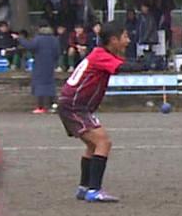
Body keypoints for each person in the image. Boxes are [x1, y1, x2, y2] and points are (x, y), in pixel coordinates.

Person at [57, 20, 143, 203]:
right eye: (125, 37)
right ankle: (94, 190)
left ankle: (84, 187)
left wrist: (141, 63)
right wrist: (147, 64)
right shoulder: (100, 55)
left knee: (93, 145)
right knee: (103, 141)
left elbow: (124, 64)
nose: (128, 41)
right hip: (75, 105)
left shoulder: (103, 54)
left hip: (75, 104)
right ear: (113, 40)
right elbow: (123, 67)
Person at [20, 27, 61, 114]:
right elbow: (57, 53)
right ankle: (52, 106)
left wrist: (21, 39)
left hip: (40, 64)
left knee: (39, 85)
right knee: (50, 85)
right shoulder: (54, 40)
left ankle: (40, 107)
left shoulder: (38, 39)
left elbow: (30, 46)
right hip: (50, 65)